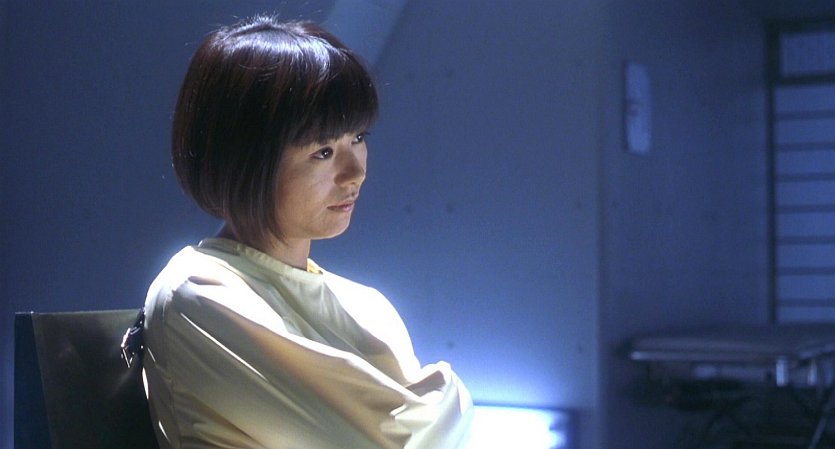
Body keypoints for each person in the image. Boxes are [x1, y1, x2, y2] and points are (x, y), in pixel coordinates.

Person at [138, 14, 473, 449]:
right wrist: (453, 401)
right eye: (323, 151)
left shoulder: (367, 306)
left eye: (358, 138)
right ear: (245, 159)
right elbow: (396, 439)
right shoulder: (198, 294)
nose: (355, 172)